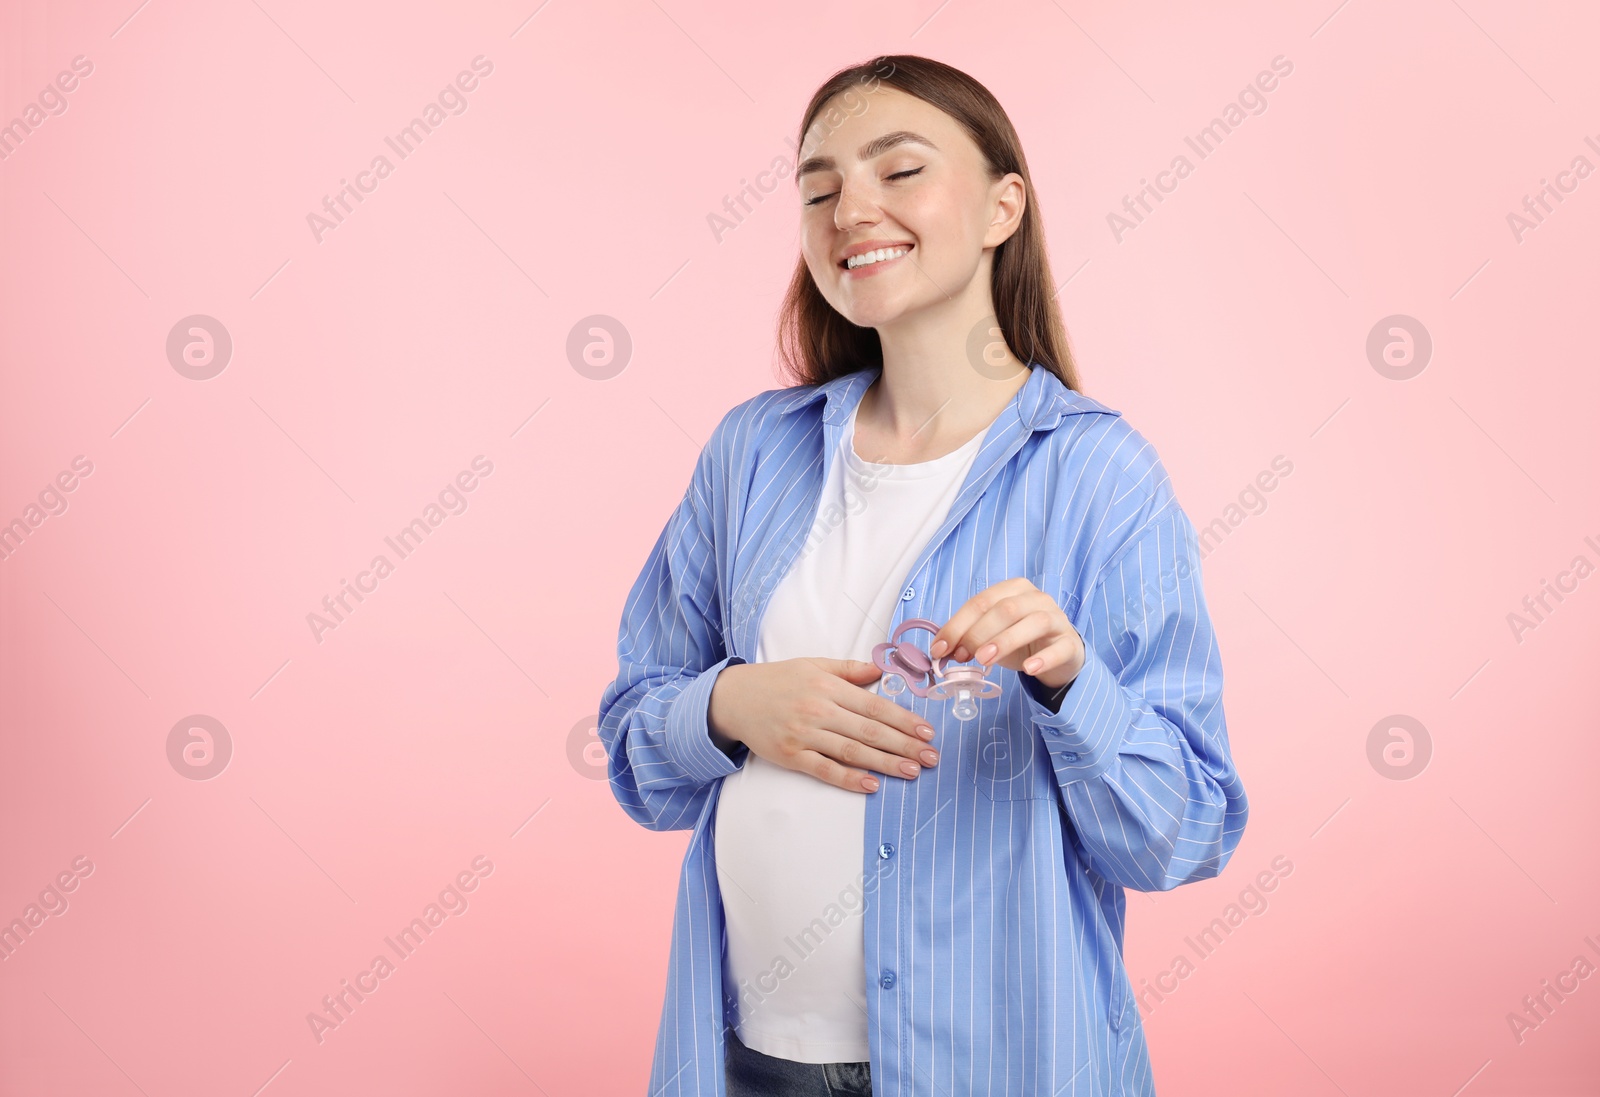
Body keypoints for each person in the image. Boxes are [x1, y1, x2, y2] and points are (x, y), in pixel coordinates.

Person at [597, 53, 1249, 1097]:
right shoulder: (749, 453)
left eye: (897, 171)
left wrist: (1072, 685)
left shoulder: (1098, 474)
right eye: (817, 188)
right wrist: (727, 702)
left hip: (1001, 1066)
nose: (849, 207)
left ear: (1003, 206)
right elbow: (638, 752)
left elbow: (1182, 834)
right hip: (741, 1064)